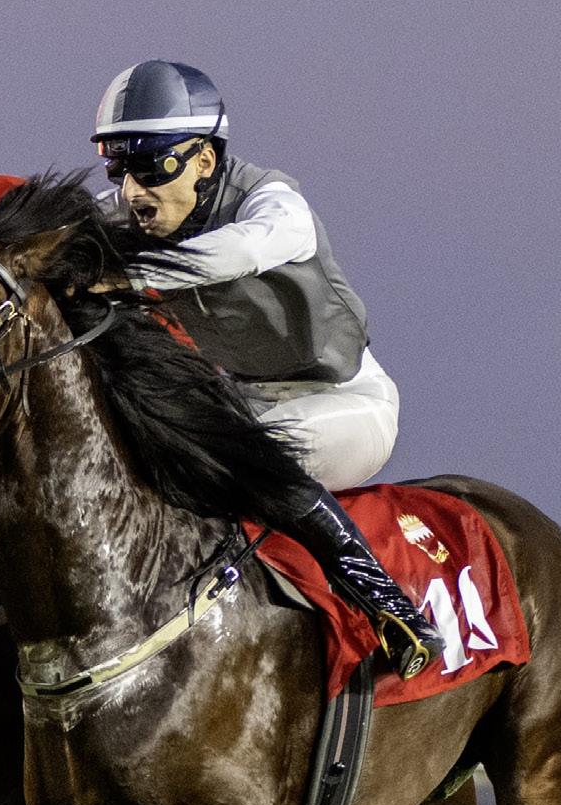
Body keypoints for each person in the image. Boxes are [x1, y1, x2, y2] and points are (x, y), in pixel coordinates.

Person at [92, 59, 441, 679]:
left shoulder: (275, 202)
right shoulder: (136, 210)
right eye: (119, 168)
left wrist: (128, 275)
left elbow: (241, 250)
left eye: (150, 167)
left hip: (345, 402)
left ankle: (395, 612)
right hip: (246, 402)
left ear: (204, 159)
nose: (133, 192)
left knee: (243, 457)